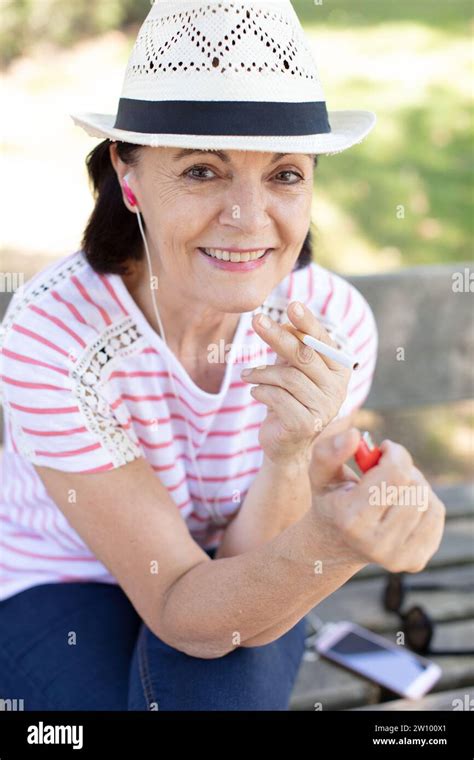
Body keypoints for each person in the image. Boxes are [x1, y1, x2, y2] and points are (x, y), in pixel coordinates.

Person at [0, 0, 445, 711]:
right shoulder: (55, 333)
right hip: (62, 573)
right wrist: (335, 540)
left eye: (285, 175)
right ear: (129, 174)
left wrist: (293, 455)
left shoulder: (331, 324)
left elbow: (236, 588)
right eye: (203, 170)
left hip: (230, 564)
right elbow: (179, 605)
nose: (248, 220)